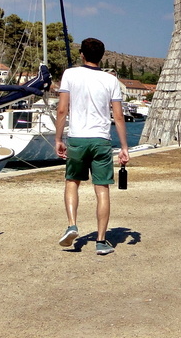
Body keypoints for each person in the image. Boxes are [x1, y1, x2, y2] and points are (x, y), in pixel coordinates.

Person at [55, 38, 130, 255]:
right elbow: (118, 116)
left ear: (82, 54)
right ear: (102, 56)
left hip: (78, 137)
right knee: (102, 189)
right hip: (101, 140)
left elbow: (62, 109)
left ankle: (72, 225)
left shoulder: (70, 74)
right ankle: (101, 240)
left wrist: (59, 139)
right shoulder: (111, 80)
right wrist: (124, 146)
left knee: (72, 182)